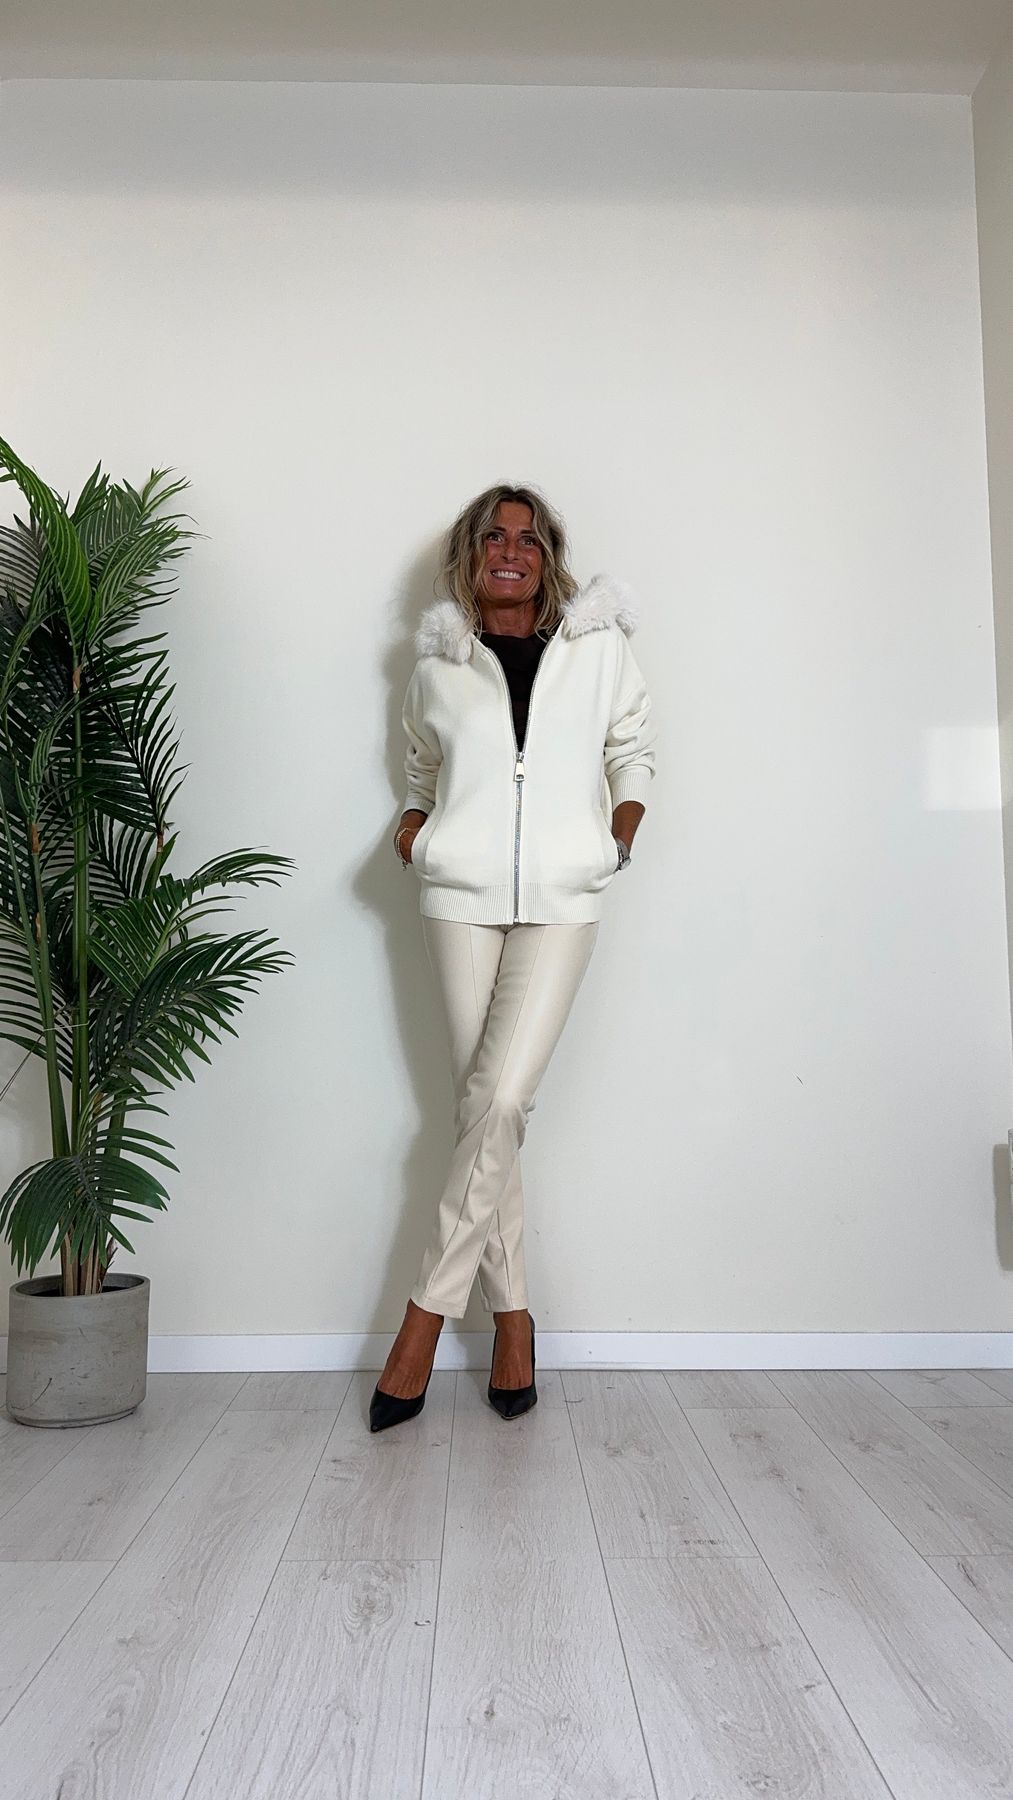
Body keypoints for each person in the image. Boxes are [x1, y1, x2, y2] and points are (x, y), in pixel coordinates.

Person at [370, 483, 657, 1432]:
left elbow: (633, 749)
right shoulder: (438, 664)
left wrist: (616, 836)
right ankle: (514, 1324)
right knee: (483, 1111)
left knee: (497, 1101)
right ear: (471, 553)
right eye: (494, 536)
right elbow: (421, 766)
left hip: (562, 900)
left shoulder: (598, 649)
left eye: (528, 539)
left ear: (547, 557)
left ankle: (423, 1316)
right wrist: (415, 829)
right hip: (458, 900)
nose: (510, 550)